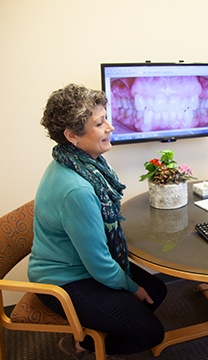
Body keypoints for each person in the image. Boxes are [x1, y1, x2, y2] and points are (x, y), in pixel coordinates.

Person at [28, 84, 167, 359]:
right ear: (72, 136)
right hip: (64, 280)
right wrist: (131, 288)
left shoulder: (77, 162)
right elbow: (100, 265)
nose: (111, 127)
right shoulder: (77, 189)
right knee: (152, 333)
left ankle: (102, 325)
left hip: (81, 265)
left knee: (158, 290)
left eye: (106, 118)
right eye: (100, 123)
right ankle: (86, 343)